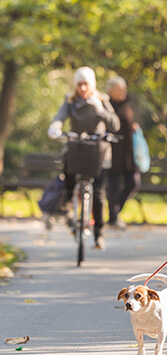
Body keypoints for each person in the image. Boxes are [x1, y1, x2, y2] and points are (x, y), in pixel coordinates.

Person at [48, 66, 120, 250]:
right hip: (77, 149)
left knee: (98, 193)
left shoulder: (102, 99)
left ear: (92, 84)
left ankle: (98, 234)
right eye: (79, 84)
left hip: (99, 152)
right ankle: (67, 204)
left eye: (85, 84)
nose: (82, 88)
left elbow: (115, 125)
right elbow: (60, 116)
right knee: (69, 174)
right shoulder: (70, 101)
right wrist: (55, 128)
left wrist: (100, 111)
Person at [106, 76, 142, 230]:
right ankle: (113, 217)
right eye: (119, 89)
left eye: (124, 89)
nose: (123, 92)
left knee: (133, 182)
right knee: (112, 188)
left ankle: (114, 214)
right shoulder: (105, 105)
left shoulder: (127, 105)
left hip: (127, 156)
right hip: (112, 155)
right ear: (110, 90)